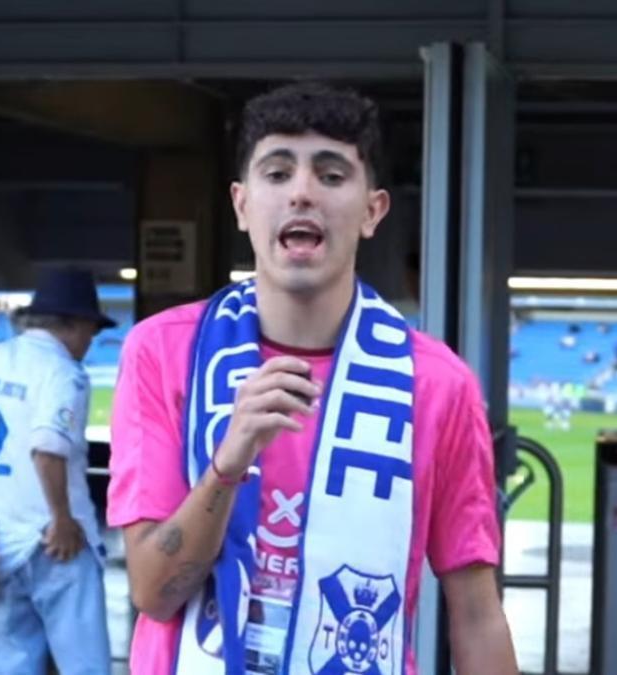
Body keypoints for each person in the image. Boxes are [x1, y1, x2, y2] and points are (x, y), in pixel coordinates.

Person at [108, 82, 515, 674]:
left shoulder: (436, 383)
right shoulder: (165, 352)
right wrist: (228, 463)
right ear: (241, 205)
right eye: (277, 174)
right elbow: (153, 591)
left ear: (372, 211)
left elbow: (476, 614)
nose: (301, 192)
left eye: (331, 175)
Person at [0, 267, 114, 675]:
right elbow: (47, 450)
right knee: (85, 667)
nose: (90, 341)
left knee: (11, 663)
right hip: (57, 543)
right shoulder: (63, 371)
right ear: (72, 323)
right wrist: (62, 519)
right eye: (90, 331)